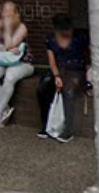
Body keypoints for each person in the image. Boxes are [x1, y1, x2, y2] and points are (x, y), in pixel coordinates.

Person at [37, 13, 88, 142]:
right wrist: (57, 76)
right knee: (43, 88)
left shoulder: (80, 37)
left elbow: (87, 54)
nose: (68, 32)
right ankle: (45, 123)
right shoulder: (51, 39)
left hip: (76, 69)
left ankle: (68, 129)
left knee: (68, 92)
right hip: (59, 69)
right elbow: (52, 61)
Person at [0, 0, 34, 126]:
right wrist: (6, 48)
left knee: (10, 77)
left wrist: (7, 29)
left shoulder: (22, 27)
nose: (6, 13)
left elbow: (10, 43)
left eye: (9, 10)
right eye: (4, 10)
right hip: (2, 59)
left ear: (16, 13)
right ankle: (5, 108)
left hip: (22, 62)